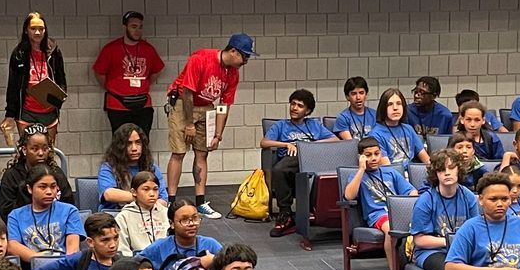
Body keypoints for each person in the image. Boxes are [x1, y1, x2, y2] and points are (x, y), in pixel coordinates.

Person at [165, 34, 253, 218]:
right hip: (183, 103)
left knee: (202, 153)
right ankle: (170, 200)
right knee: (179, 152)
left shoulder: (233, 74)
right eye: (244, 56)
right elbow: (187, 92)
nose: (246, 61)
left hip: (206, 106)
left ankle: (200, 201)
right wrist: (189, 124)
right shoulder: (201, 58)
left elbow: (223, 105)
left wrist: (218, 135)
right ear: (233, 51)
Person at [409, 153, 480, 270]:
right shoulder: (426, 200)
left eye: (451, 168)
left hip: (463, 250)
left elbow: (476, 230)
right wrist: (449, 242)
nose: (447, 173)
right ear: (435, 174)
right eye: (441, 170)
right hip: (431, 252)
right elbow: (420, 240)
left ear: (459, 170)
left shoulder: (468, 197)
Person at [262, 89, 330, 233]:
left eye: (300, 105)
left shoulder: (314, 125)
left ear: (307, 111)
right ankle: (285, 213)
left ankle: (320, 211)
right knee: (280, 169)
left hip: (312, 159)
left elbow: (334, 140)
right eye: (293, 104)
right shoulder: (281, 126)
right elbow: (264, 142)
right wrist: (286, 144)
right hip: (290, 160)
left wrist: (308, 146)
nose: (294, 108)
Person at [91, 9, 165, 137]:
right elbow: (99, 73)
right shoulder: (111, 49)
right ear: (125, 27)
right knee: (121, 144)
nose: (137, 31)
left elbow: (157, 71)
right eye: (133, 27)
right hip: (118, 104)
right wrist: (113, 87)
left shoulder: (148, 49)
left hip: (143, 105)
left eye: (140, 27)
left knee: (143, 142)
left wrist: (144, 84)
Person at [4, 13, 68, 144]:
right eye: (33, 28)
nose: (37, 32)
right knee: (28, 150)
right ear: (26, 30)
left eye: (41, 28)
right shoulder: (19, 53)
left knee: (48, 151)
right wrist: (9, 114)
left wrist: (59, 99)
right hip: (27, 112)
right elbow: (13, 85)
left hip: (49, 111)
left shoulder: (54, 52)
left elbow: (61, 79)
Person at [6, 165, 84, 263]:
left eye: (53, 186)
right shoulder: (15, 216)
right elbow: (13, 246)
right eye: (42, 187)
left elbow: (72, 251)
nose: (49, 192)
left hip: (64, 268)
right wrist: (40, 261)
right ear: (30, 189)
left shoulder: (70, 211)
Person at [150, 196, 221, 270]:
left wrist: (215, 260)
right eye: (184, 220)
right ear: (172, 223)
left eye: (195, 218)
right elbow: (136, 267)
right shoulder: (159, 247)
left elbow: (232, 266)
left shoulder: (211, 244)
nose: (191, 224)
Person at [0, 128, 73, 220]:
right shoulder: (11, 176)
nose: (41, 153)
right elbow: (6, 213)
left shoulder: (56, 173)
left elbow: (69, 206)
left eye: (45, 149)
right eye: (35, 149)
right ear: (24, 150)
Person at [343, 137, 413, 235]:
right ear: (360, 157)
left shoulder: (391, 172)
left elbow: (411, 192)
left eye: (377, 154)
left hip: (397, 212)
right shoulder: (356, 176)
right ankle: (390, 251)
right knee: (390, 227)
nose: (374, 158)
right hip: (378, 215)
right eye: (368, 155)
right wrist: (361, 169)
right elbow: (348, 196)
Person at [98, 122, 168, 209]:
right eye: (129, 144)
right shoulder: (108, 167)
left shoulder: (152, 167)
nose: (134, 148)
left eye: (138, 143)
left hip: (147, 215)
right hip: (115, 215)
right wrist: (142, 198)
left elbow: (164, 200)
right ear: (120, 147)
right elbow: (109, 194)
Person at [368, 87, 428, 169]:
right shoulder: (375, 134)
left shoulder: (408, 129)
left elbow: (426, 160)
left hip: (413, 175)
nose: (395, 108)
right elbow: (387, 168)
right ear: (383, 108)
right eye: (390, 104)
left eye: (399, 103)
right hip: (393, 176)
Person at [113, 170, 169, 255]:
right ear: (134, 192)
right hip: (137, 263)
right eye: (146, 189)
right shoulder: (123, 217)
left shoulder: (166, 213)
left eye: (155, 189)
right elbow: (122, 249)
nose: (152, 194)